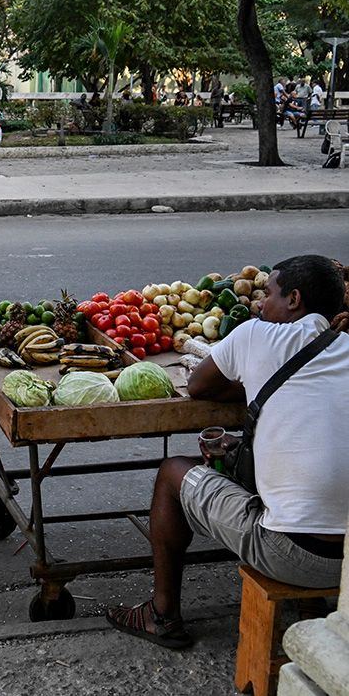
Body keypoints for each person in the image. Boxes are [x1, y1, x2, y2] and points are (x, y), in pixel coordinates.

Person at [107, 255, 348, 649]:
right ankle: (311, 606)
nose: (260, 303)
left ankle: (161, 614)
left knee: (172, 473)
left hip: (291, 554)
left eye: (268, 293)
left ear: (294, 300)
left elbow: (200, 386)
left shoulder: (256, 335)